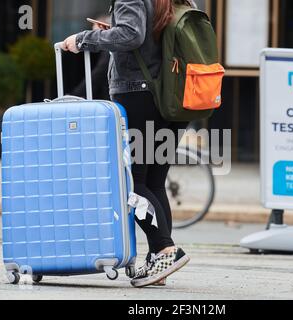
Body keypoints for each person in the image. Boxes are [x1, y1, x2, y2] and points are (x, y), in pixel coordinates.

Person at [61, 0, 193, 288]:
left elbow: (131, 35)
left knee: (132, 183)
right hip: (173, 97)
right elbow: (151, 37)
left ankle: (165, 248)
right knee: (155, 181)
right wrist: (113, 31)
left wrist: (82, 39)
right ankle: (160, 259)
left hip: (139, 95)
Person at [71, 15, 110, 100]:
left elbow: (98, 73)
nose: (93, 39)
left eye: (95, 33)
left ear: (103, 27)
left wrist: (76, 94)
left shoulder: (109, 50)